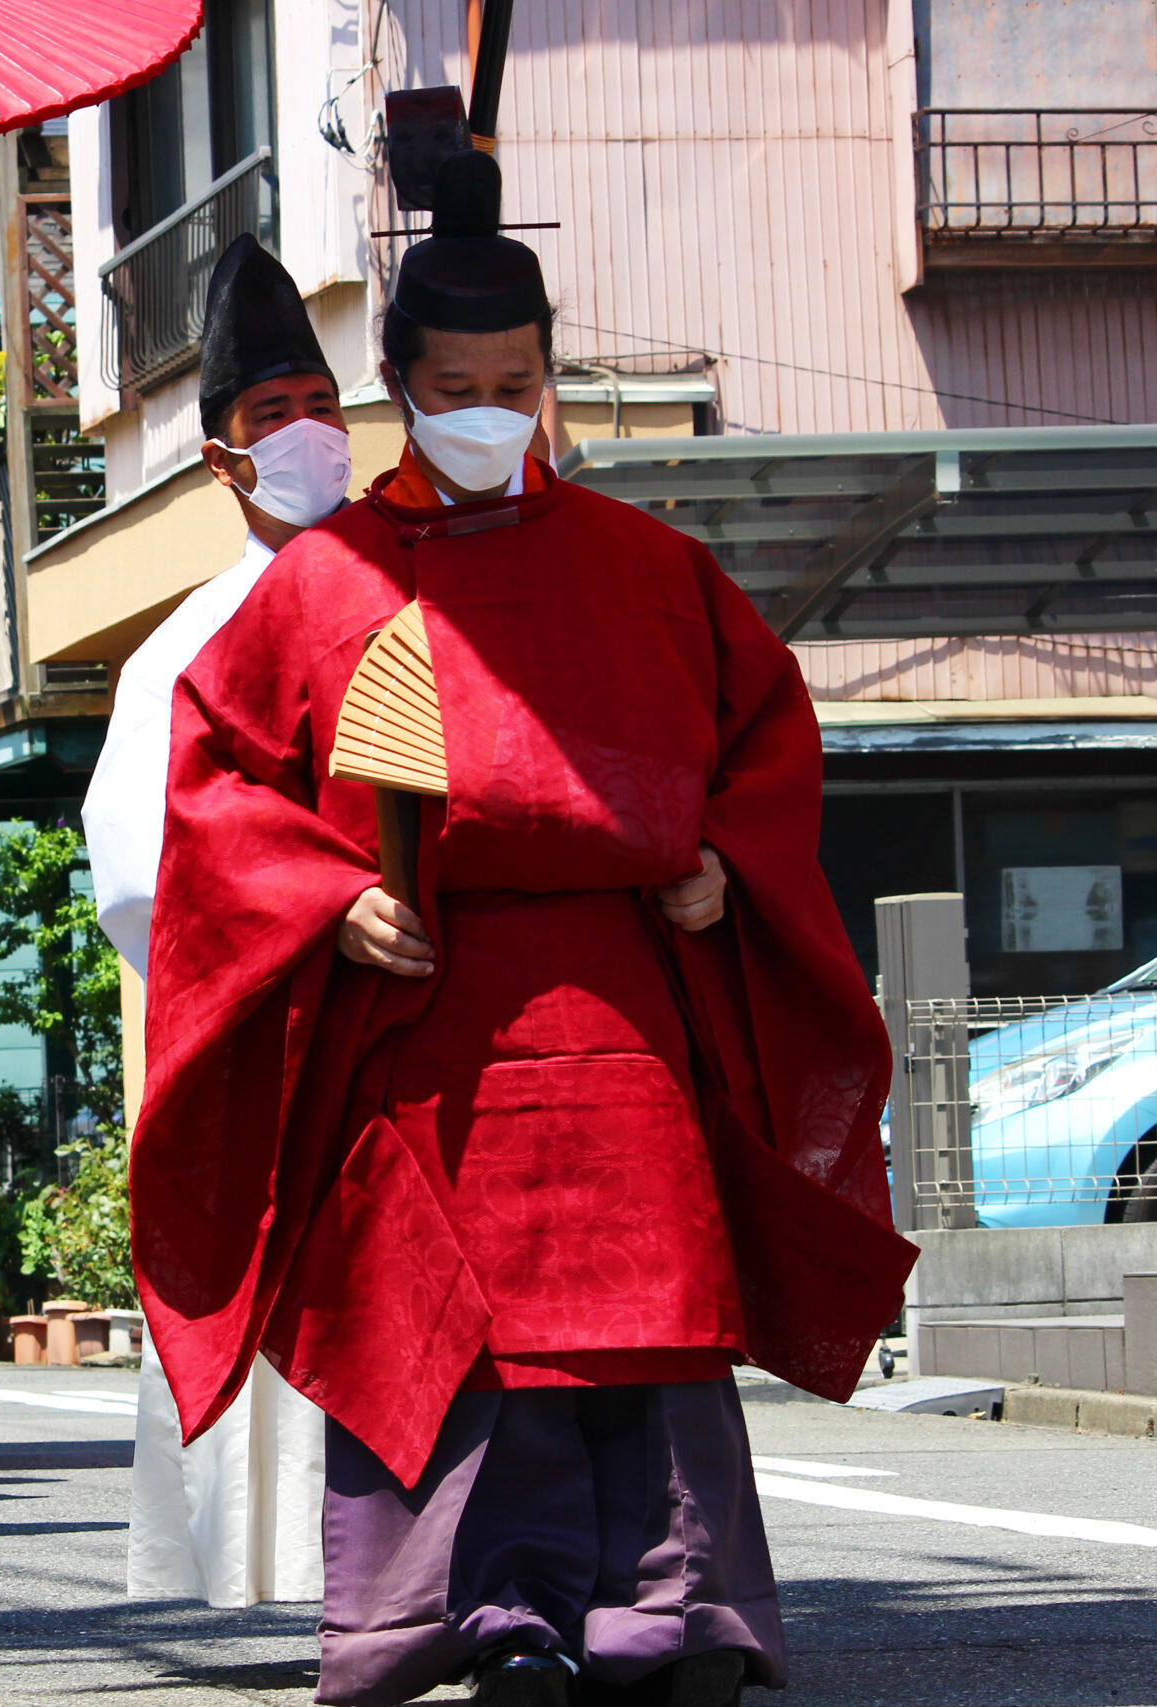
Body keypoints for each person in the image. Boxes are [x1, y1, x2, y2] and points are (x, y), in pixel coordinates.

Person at [135, 152, 917, 1707]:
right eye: (454, 381)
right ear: (401, 384)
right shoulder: (321, 583)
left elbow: (762, 741)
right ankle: (486, 1617)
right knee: (461, 1317)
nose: (488, 403)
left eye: (516, 378)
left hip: (626, 993)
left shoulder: (655, 568)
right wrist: (327, 890)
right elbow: (217, 781)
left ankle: (672, 1611)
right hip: (426, 1007)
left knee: (650, 1306)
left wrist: (718, 862)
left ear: (549, 376)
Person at [80, 233, 350, 1611]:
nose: (307, 435)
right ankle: (302, 1563)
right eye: (270, 415)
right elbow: (138, 871)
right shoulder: (176, 649)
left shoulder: (433, 597)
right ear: (220, 458)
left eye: (322, 406)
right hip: (279, 1026)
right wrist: (303, 910)